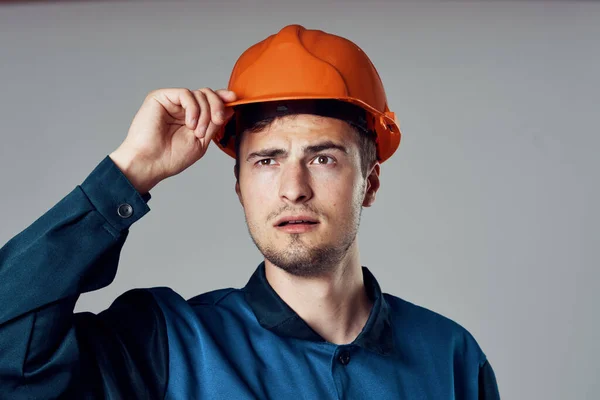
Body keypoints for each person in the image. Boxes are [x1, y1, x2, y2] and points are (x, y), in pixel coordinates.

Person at [0, 25, 500, 399]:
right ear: (239, 186)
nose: (293, 189)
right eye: (267, 160)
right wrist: (129, 173)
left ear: (369, 182)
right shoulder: (165, 345)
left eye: (322, 158)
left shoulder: (451, 359)